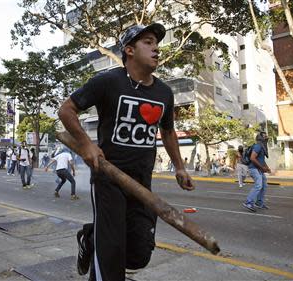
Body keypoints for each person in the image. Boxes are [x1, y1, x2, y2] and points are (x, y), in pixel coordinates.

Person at [58, 23, 194, 280]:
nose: (156, 49)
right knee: (110, 257)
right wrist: (87, 144)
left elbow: (167, 132)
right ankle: (99, 245)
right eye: (149, 42)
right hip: (109, 178)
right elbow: (66, 110)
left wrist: (180, 167)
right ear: (129, 50)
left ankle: (89, 236)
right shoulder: (108, 81)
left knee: (139, 253)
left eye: (157, 44)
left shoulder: (164, 93)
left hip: (142, 182)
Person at [242, 132, 271, 212]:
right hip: (254, 169)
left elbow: (261, 160)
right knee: (258, 185)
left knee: (264, 185)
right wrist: (262, 168)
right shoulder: (258, 146)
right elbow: (252, 158)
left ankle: (259, 203)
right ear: (260, 138)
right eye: (265, 137)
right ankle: (248, 202)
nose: (266, 138)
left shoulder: (261, 147)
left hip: (258, 169)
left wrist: (267, 168)